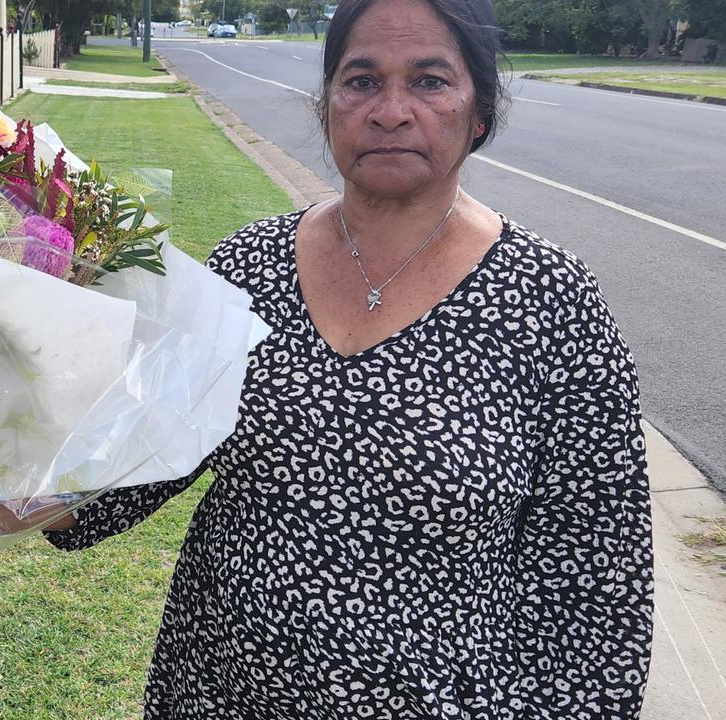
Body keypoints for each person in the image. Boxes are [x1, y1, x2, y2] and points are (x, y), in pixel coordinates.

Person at [36, 0, 655, 717]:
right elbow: (154, 448)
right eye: (361, 80)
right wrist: (15, 477)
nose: (391, 111)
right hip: (218, 689)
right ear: (326, 102)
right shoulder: (250, 267)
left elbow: (596, 592)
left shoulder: (553, 303)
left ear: (479, 112)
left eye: (430, 81)